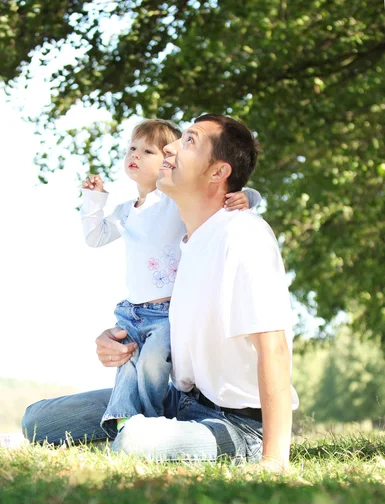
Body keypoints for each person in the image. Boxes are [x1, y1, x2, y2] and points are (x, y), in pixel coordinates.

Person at [22, 114, 298, 471]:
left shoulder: (242, 235)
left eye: (189, 141)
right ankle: (143, 427)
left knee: (135, 441)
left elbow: (273, 347)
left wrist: (274, 460)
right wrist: (119, 339)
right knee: (37, 420)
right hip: (180, 402)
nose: (170, 147)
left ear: (218, 173)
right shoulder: (187, 241)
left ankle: (142, 433)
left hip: (237, 424)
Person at [79, 118, 260, 438]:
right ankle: (123, 421)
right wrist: (94, 200)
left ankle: (148, 424)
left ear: (167, 161)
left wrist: (249, 199)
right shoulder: (125, 210)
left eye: (147, 151)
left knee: (151, 364)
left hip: (166, 310)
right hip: (132, 309)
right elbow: (95, 237)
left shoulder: (174, 199)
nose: (134, 154)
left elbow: (231, 194)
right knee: (128, 366)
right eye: (132, 148)